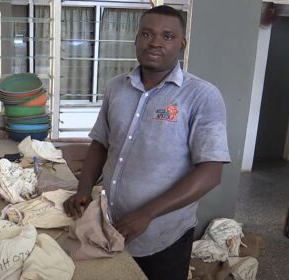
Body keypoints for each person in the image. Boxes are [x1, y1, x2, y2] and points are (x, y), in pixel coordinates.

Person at [63, 5, 231, 280]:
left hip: (164, 236)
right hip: (110, 223)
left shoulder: (201, 96)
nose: (155, 42)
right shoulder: (117, 87)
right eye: (147, 34)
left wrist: (147, 213)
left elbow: (211, 173)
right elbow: (101, 143)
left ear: (182, 43)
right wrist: (84, 189)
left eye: (167, 36)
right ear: (136, 39)